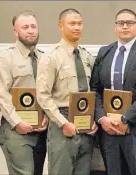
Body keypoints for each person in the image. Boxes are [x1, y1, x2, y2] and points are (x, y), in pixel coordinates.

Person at [90, 9, 136, 175]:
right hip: (109, 131)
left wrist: (125, 118)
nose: (125, 26)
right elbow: (95, 89)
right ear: (115, 27)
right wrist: (102, 118)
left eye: (129, 23)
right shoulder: (104, 52)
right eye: (120, 23)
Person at [36, 8, 98, 175]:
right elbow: (42, 95)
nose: (77, 27)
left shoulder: (86, 57)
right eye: (72, 24)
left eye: (79, 23)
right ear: (60, 26)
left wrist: (94, 120)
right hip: (62, 122)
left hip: (86, 124)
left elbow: (93, 91)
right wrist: (62, 122)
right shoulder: (51, 57)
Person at [0, 10, 47, 175]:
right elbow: (1, 95)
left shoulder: (45, 58)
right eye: (25, 27)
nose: (30, 30)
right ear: (16, 31)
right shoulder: (4, 59)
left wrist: (49, 117)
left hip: (42, 130)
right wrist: (17, 122)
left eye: (33, 26)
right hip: (17, 131)